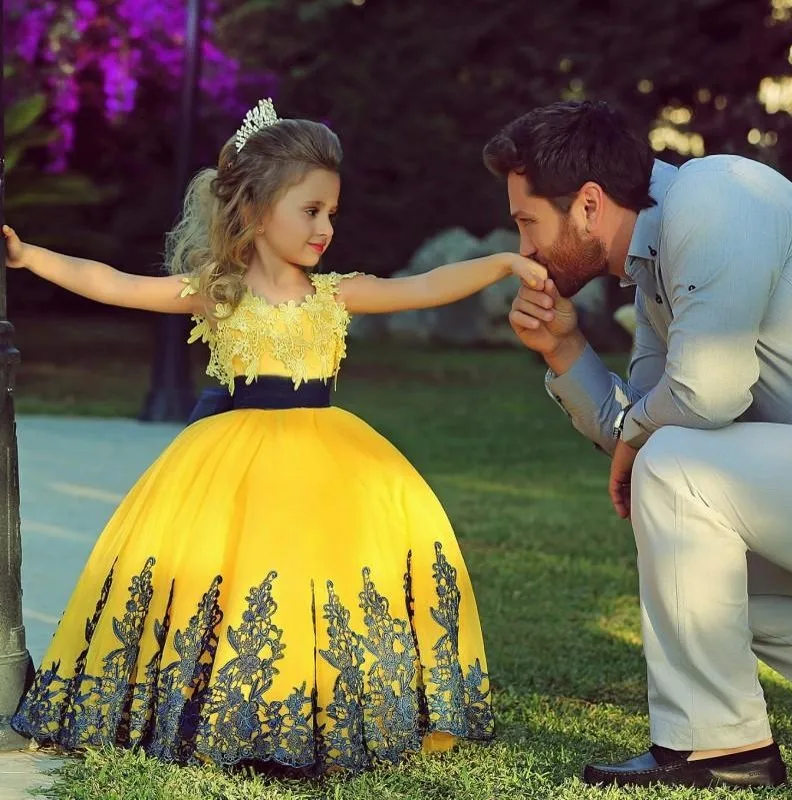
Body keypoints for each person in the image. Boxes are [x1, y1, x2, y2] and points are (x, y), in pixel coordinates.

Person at [8, 98, 543, 775]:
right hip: (232, 462)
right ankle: (223, 708)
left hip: (331, 461)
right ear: (258, 212)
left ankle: (334, 705)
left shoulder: (336, 295)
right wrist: (29, 256)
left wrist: (501, 264)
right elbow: (114, 283)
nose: (325, 228)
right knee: (237, 582)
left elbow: (427, 285)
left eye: (332, 214)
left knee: (331, 574)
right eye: (310, 210)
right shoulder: (219, 293)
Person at [483, 99, 792, 789]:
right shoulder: (654, 260)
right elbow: (652, 422)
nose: (526, 249)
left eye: (527, 222)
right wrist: (566, 350)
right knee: (697, 578)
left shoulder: (714, 198)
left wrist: (639, 439)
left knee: (674, 470)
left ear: (588, 204)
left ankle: (722, 748)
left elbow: (703, 398)